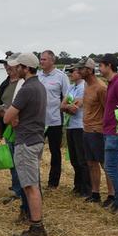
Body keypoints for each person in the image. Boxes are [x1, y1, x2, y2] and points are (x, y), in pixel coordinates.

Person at [3, 53, 48, 236]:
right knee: (33, 184)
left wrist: (6, 113)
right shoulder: (40, 86)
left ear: (26, 68)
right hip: (36, 139)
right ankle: (35, 224)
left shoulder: (26, 89)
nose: (15, 69)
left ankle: (37, 227)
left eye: (19, 66)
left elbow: (7, 118)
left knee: (30, 186)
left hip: (26, 141)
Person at [0, 54, 30, 218]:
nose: (7, 68)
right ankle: (17, 189)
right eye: (4, 65)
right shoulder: (4, 84)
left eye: (9, 65)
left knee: (19, 161)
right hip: (8, 127)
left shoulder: (24, 84)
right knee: (12, 161)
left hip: (19, 127)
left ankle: (21, 192)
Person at [97, 53, 118, 213]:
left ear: (109, 66)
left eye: (101, 65)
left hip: (115, 132)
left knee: (110, 167)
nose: (99, 68)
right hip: (111, 131)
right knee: (117, 166)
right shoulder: (112, 83)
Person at [76, 58, 114, 206]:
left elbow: (107, 110)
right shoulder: (87, 85)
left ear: (89, 70)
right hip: (86, 129)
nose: (78, 71)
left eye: (81, 69)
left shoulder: (100, 88)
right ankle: (95, 193)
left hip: (97, 131)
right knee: (91, 163)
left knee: (105, 164)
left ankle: (111, 195)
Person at [37, 50, 69, 189]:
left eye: (44, 59)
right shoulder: (37, 76)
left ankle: (53, 183)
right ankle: (34, 181)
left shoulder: (61, 77)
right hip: (38, 121)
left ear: (52, 61)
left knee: (55, 152)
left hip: (55, 120)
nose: (41, 62)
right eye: (40, 59)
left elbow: (68, 96)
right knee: (35, 151)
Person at [61, 67, 90, 197]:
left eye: (73, 72)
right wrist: (68, 106)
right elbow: (62, 106)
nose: (70, 74)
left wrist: (67, 106)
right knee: (74, 158)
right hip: (70, 125)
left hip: (80, 126)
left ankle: (86, 188)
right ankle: (78, 186)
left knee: (82, 159)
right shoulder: (71, 87)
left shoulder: (84, 87)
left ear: (79, 73)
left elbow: (74, 109)